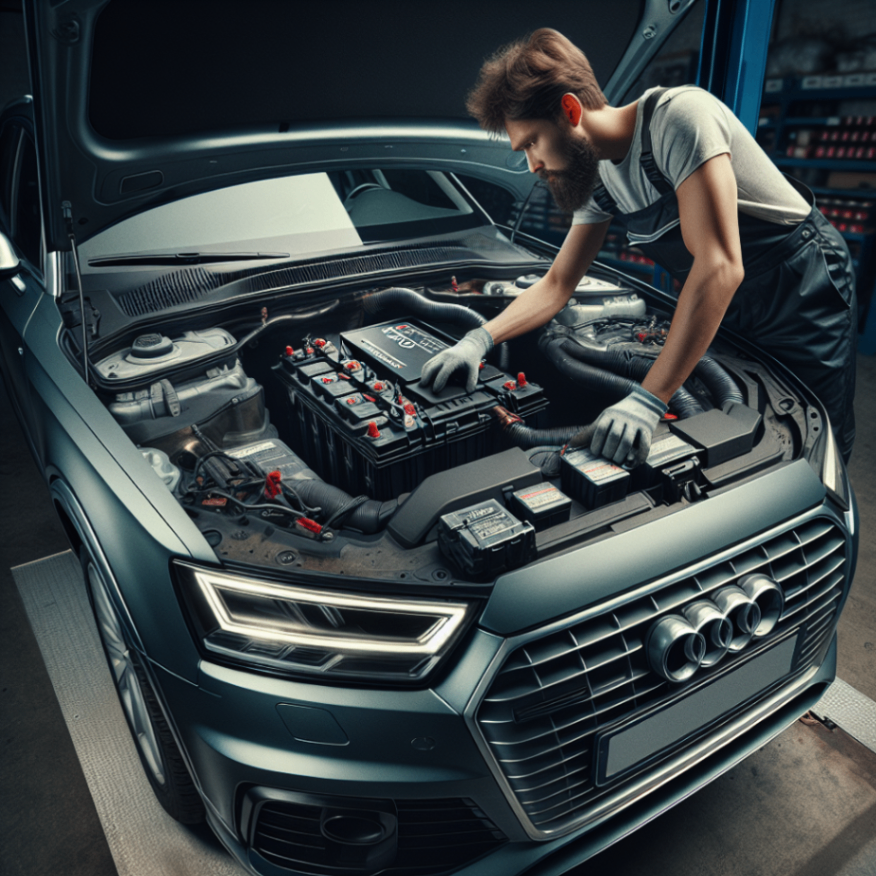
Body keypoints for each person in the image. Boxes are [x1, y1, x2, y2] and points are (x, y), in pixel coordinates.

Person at [419, 28, 857, 467]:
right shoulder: (599, 177)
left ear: (570, 110)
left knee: (814, 434)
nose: (532, 163)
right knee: (746, 416)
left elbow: (720, 265)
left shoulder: (679, 117)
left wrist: (648, 398)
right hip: (735, 300)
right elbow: (556, 284)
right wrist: (480, 338)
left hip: (800, 285)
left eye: (531, 141)